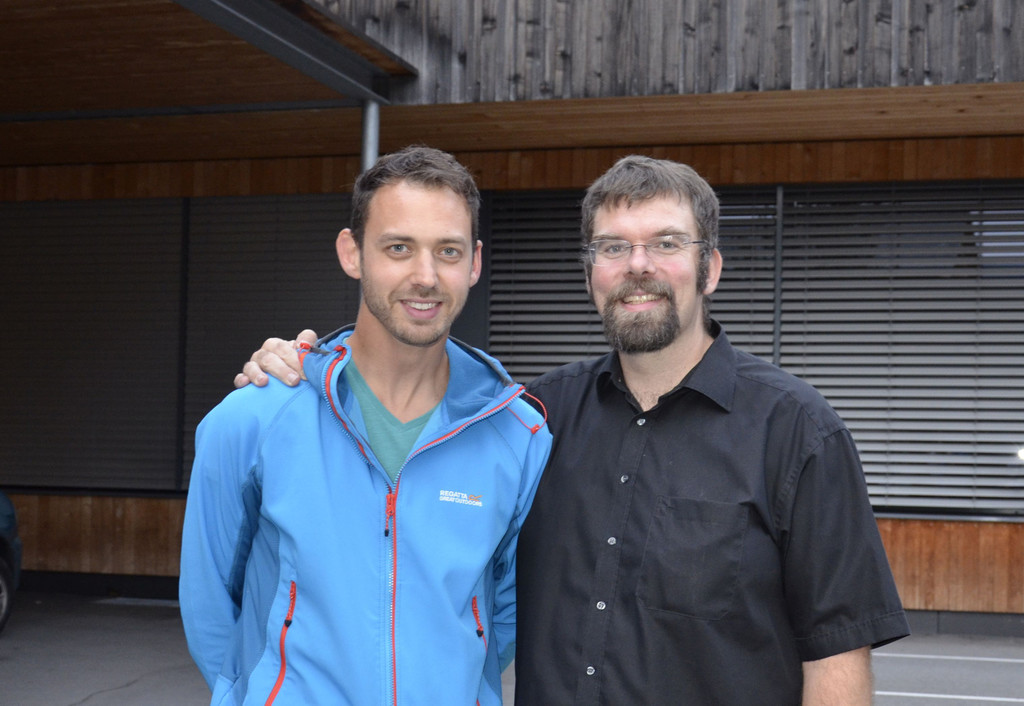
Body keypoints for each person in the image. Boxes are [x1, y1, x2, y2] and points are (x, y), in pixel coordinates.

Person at [237, 155, 910, 704]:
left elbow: (837, 654)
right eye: (614, 247)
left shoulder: (798, 432)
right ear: (591, 274)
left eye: (666, 243)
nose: (638, 266)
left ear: (709, 268)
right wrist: (307, 362)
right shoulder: (532, 420)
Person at [180, 146, 552, 705]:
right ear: (352, 253)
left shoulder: (520, 436)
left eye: (448, 251)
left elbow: (503, 615)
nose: (425, 276)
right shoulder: (253, 419)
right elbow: (210, 607)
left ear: (474, 263)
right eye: (398, 248)